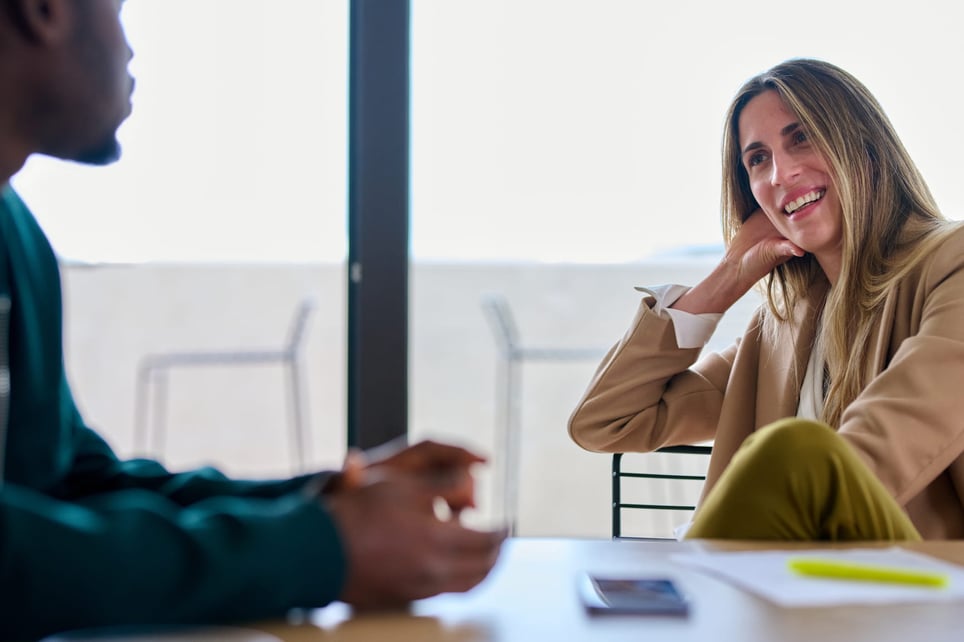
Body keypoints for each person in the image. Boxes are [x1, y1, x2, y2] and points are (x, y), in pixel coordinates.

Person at [0, 1, 504, 640]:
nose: (129, 50)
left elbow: (69, 481)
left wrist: (321, 500)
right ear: (44, 11)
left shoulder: (18, 234)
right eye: (119, 8)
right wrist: (315, 551)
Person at [568, 57, 964, 541]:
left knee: (792, 449)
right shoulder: (777, 330)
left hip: (915, 598)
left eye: (802, 137)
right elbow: (604, 421)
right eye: (758, 158)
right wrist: (727, 277)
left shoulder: (951, 264)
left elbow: (893, 434)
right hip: (782, 600)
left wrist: (720, 551)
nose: (781, 172)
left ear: (866, 149)